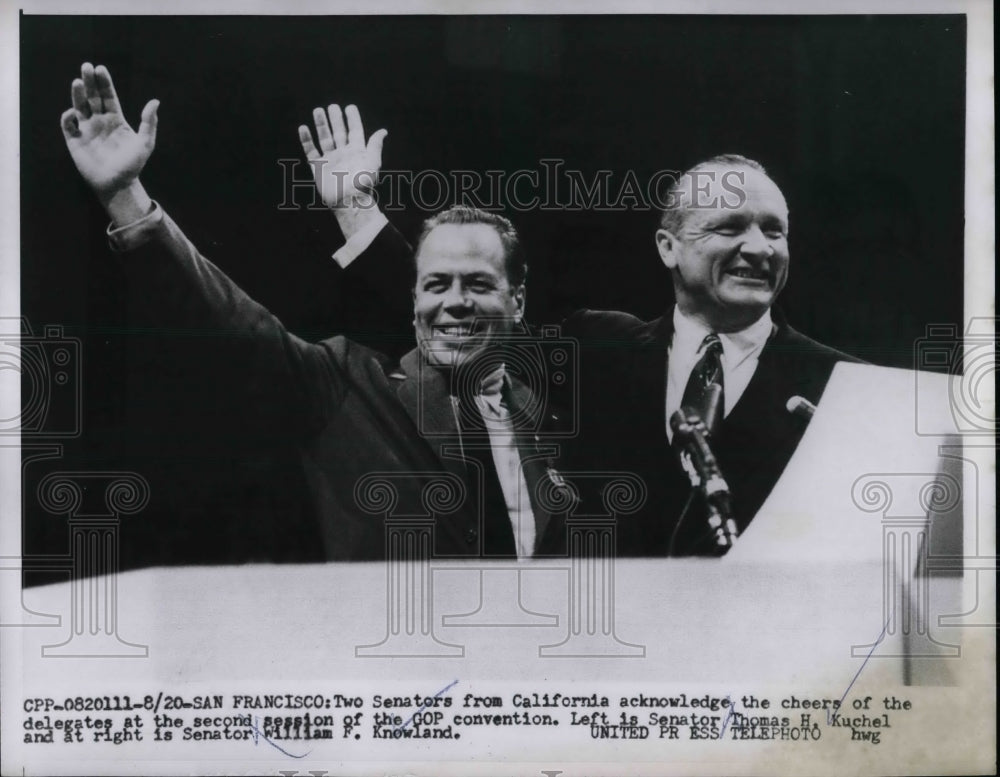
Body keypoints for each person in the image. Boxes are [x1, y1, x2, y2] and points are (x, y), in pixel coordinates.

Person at [60, 62, 570, 561]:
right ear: (413, 299)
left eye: (478, 284)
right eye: (436, 284)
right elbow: (234, 325)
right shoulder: (348, 382)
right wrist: (127, 198)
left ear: (517, 300)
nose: (454, 301)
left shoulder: (547, 412)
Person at [299, 107, 863, 556]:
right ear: (669, 246)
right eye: (730, 227)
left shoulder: (841, 385)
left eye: (774, 231)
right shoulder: (598, 347)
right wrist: (356, 211)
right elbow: (466, 316)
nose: (759, 248)